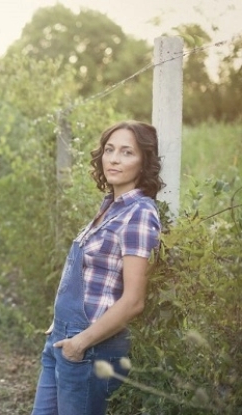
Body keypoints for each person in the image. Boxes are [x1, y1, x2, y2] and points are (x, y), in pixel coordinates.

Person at [30, 120, 164, 415]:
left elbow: (134, 301)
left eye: (127, 152)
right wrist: (60, 323)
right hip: (63, 339)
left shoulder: (139, 214)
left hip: (90, 347)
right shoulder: (110, 206)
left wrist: (80, 343)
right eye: (109, 149)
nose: (114, 158)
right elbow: (90, 275)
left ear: (144, 162)